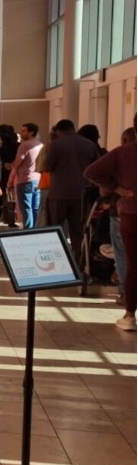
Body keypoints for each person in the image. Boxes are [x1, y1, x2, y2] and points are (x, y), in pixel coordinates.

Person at [84, 113, 137, 332]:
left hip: (131, 212)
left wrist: (119, 189)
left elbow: (91, 172)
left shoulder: (124, 152)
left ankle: (130, 314)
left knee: (133, 263)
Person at [44, 119, 101, 265]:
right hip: (82, 195)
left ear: (59, 131)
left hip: (58, 194)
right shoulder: (89, 144)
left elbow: (47, 166)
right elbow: (97, 167)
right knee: (79, 231)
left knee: (55, 229)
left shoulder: (56, 144)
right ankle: (80, 261)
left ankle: (56, 262)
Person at [104, 127, 136, 307]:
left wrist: (117, 189)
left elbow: (93, 174)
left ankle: (127, 296)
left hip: (122, 212)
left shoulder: (119, 157)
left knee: (124, 256)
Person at [8, 122, 43, 229]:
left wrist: (10, 166)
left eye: (24, 131)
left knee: (26, 207)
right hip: (38, 179)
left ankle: (28, 229)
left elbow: (18, 163)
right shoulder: (40, 144)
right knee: (35, 207)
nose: (21, 133)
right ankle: (35, 228)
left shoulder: (24, 145)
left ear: (31, 132)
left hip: (25, 179)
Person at [0, 124, 20, 228]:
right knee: (10, 197)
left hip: (0, 172)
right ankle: (10, 220)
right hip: (13, 171)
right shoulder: (17, 145)